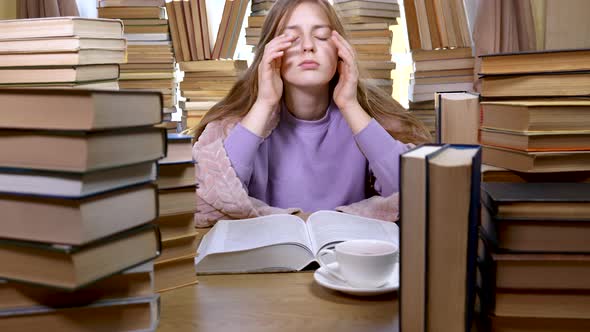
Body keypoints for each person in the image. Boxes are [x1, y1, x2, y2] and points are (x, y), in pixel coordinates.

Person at [189, 0, 431, 227]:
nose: (307, 46)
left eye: (321, 35)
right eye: (291, 38)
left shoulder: (366, 122)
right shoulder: (240, 125)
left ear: (340, 51)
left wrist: (349, 104)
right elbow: (209, 201)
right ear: (269, 54)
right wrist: (264, 103)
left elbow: (415, 191)